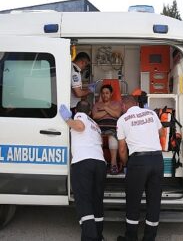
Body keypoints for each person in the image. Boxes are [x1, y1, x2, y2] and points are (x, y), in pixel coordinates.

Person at [116, 95, 164, 241]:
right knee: (154, 201)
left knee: (133, 202)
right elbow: (162, 132)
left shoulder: (122, 120)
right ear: (137, 104)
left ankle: (131, 238)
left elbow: (122, 150)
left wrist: (126, 164)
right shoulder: (151, 113)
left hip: (138, 161)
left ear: (124, 106)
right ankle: (149, 238)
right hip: (157, 159)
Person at [59, 101, 106, 241]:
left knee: (84, 201)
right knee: (96, 201)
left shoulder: (80, 116)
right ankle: (98, 235)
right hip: (99, 164)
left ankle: (90, 238)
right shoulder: (96, 125)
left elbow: (79, 126)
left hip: (84, 162)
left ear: (77, 111)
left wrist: (68, 119)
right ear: (91, 112)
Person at [92, 84, 122, 174]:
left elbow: (117, 115)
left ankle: (113, 163)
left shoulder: (117, 103)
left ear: (111, 94)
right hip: (99, 128)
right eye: (103, 93)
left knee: (112, 136)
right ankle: (101, 162)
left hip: (112, 127)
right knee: (98, 137)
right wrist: (109, 111)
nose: (105, 95)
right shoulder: (97, 104)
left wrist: (104, 108)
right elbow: (95, 116)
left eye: (107, 93)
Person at [71, 52, 92, 116]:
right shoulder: (75, 72)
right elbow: (78, 93)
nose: (85, 67)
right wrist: (89, 90)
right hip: (72, 106)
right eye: (86, 65)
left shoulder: (69, 66)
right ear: (83, 62)